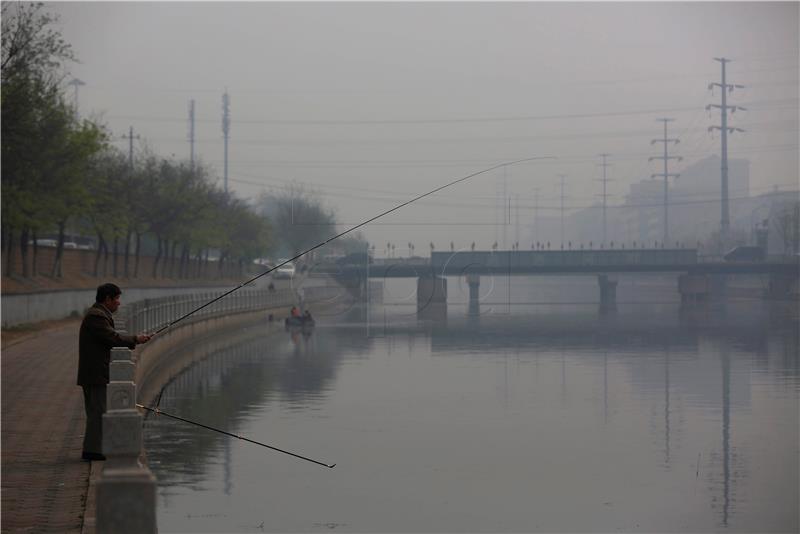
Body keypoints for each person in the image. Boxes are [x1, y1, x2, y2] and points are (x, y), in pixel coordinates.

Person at [77, 283, 151, 461]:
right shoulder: (96, 316)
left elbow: (110, 338)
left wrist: (135, 339)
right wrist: (136, 339)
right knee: (98, 413)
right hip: (95, 374)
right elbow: (112, 338)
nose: (119, 303)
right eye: (116, 298)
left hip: (97, 373)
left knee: (98, 412)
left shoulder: (100, 314)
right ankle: (93, 452)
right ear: (107, 299)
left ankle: (94, 449)